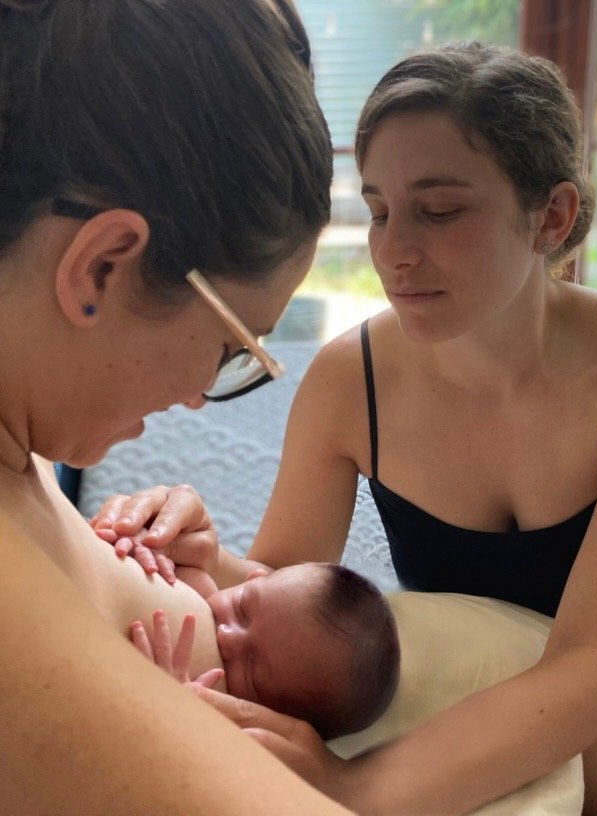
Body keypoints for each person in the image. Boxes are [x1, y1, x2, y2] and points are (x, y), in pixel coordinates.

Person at [93, 42, 597, 816]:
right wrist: (204, 553)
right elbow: (287, 590)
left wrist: (354, 788)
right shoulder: (351, 381)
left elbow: (596, 661)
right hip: (510, 677)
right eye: (379, 212)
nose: (393, 252)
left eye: (439, 211)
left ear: (551, 216)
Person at [0, 0, 356, 812]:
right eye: (232, 346)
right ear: (102, 267)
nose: (198, 398)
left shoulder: (30, 444)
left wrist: (213, 570)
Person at [127, 558, 400, 740]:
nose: (226, 636)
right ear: (252, 579)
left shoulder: (215, 728)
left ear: (268, 722)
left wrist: (171, 710)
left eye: (251, 670)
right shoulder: (195, 577)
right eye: (242, 609)